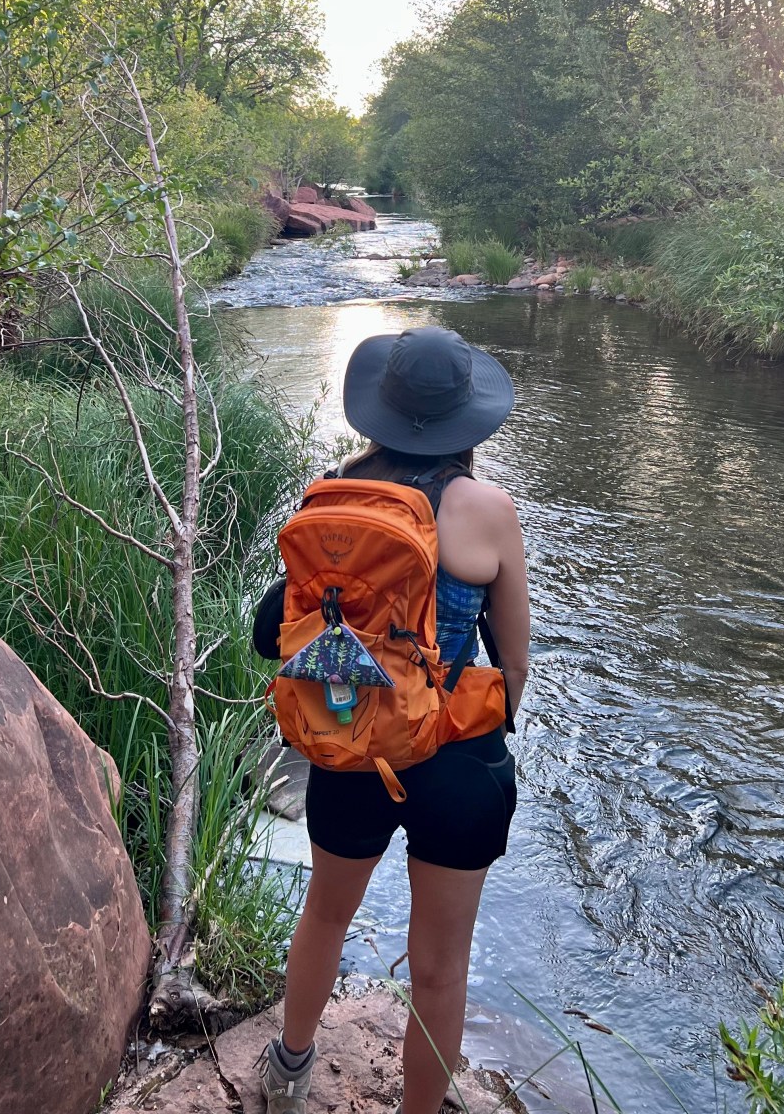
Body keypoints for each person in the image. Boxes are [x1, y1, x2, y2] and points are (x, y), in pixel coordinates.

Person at [259, 325, 531, 1114]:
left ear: (379, 410)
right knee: (441, 966)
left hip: (348, 742)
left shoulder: (330, 496)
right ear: (464, 420)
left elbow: (275, 630)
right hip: (454, 764)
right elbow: (513, 665)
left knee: (326, 913)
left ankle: (289, 1069)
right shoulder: (488, 509)